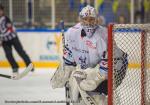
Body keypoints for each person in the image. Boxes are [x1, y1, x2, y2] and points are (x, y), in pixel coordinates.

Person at [51, 5, 128, 105]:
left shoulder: (103, 36)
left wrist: (95, 80)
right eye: (85, 19)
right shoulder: (71, 33)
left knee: (91, 90)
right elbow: (69, 61)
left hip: (117, 67)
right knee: (77, 83)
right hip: (96, 67)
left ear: (97, 20)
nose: (88, 22)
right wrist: (65, 72)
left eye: (91, 19)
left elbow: (106, 68)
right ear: (80, 19)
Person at [0, 4, 34, 79]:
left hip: (13, 38)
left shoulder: (5, 19)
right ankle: (15, 67)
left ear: (2, 11)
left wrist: (1, 37)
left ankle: (29, 65)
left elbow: (9, 30)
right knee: (8, 55)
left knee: (20, 52)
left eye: (0, 10)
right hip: (5, 41)